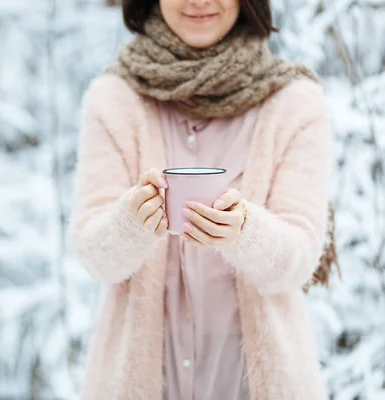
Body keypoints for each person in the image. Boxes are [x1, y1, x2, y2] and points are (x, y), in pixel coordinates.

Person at [69, 0, 339, 399]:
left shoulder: (294, 103)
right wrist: (132, 220)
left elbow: (297, 261)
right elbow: (95, 256)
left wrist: (244, 231)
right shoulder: (113, 99)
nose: (199, 2)